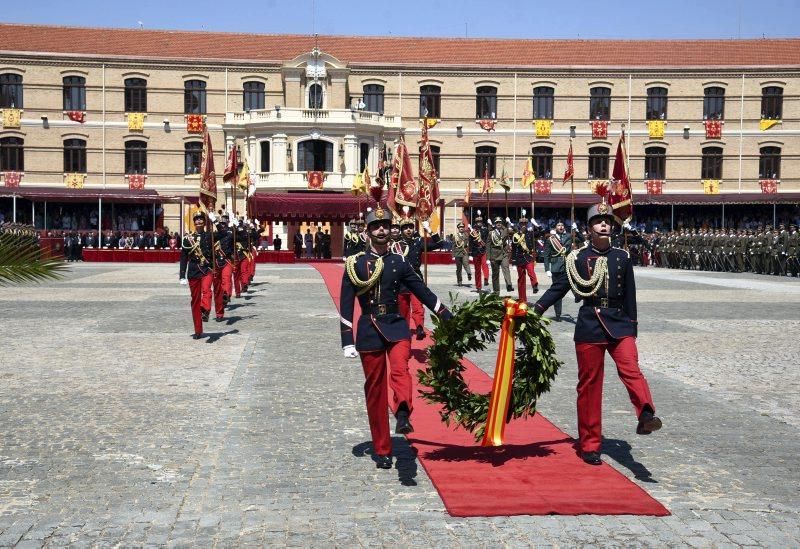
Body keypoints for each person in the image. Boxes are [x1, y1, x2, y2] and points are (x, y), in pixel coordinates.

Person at [533, 202, 662, 465]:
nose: (604, 225)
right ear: (589, 229)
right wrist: (536, 309)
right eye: (598, 222)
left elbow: (630, 295)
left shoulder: (622, 257)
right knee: (589, 386)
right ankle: (590, 444)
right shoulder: (577, 258)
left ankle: (646, 414)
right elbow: (560, 287)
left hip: (620, 322)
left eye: (608, 222)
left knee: (631, 368)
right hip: (590, 323)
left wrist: (633, 328)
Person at [340, 206, 452, 469]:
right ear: (367, 232)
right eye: (376, 226)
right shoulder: (354, 264)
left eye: (385, 225)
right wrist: (347, 339)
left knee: (401, 370)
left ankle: (402, 411)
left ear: (390, 230)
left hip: (396, 325)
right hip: (368, 328)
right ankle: (382, 448)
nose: (381, 229)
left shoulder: (399, 262)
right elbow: (346, 304)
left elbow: (421, 290)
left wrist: (446, 315)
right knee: (375, 390)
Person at [393, 210, 445, 340]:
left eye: (410, 227)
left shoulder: (418, 242)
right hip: (401, 282)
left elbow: (439, 244)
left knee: (418, 307)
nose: (409, 230)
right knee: (403, 309)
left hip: (416, 279)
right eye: (405, 228)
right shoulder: (395, 245)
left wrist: (430, 230)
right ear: (401, 231)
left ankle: (420, 327)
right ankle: (403, 331)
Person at [179, 211, 214, 339]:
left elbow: (224, 235)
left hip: (206, 269)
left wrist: (215, 221)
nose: (199, 221)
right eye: (196, 219)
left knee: (207, 291)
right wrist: (182, 275)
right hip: (193, 271)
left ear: (205, 222)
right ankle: (198, 330)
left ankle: (205, 310)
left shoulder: (210, 236)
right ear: (193, 222)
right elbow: (183, 258)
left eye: (201, 219)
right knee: (195, 301)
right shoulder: (188, 239)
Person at [541, 221, 582, 321]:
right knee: (557, 292)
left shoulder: (569, 236)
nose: (561, 226)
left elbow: (582, 240)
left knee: (572, 281)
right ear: (555, 228)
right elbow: (546, 255)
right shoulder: (550, 240)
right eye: (559, 225)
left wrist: (576, 230)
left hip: (567, 265)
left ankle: (577, 295)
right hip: (555, 268)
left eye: (562, 225)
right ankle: (558, 314)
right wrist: (547, 269)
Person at [510, 210, 539, 303]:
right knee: (521, 280)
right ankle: (522, 299)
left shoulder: (530, 233)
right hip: (519, 258)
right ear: (519, 224)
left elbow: (542, 232)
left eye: (525, 223)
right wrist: (513, 262)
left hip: (529, 256)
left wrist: (537, 225)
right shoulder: (516, 235)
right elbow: (514, 249)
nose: (523, 225)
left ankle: (535, 285)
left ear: (527, 224)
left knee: (531, 271)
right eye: (522, 223)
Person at [211, 212, 234, 321]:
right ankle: (219, 313)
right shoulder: (214, 234)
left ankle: (226, 295)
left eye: (224, 223)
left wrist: (238, 227)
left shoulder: (230, 233)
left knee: (226, 279)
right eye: (221, 223)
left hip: (226, 259)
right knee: (216, 289)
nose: (223, 225)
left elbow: (243, 237)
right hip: (215, 261)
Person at [487, 216, 514, 293]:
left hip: (504, 254)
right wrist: (488, 258)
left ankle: (509, 285)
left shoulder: (505, 230)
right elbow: (488, 245)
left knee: (506, 268)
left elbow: (515, 231)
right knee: (495, 274)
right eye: (497, 222)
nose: (498, 224)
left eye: (500, 222)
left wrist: (510, 223)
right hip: (494, 256)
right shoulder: (491, 233)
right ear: (494, 224)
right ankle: (496, 290)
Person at [469, 211, 490, 292]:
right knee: (477, 270)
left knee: (485, 265)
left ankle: (486, 278)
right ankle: (478, 286)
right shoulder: (472, 231)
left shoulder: (485, 230)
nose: (479, 223)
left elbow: (488, 239)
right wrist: (470, 253)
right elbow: (470, 242)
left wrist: (490, 225)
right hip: (475, 251)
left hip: (484, 250)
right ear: (476, 222)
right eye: (478, 222)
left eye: (480, 221)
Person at [451, 221, 472, 287]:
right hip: (457, 253)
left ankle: (469, 273)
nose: (461, 228)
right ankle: (459, 281)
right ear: (458, 228)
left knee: (466, 263)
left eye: (462, 227)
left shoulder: (466, 235)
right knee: (459, 268)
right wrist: (453, 255)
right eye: (460, 227)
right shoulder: (455, 236)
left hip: (464, 252)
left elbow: (469, 244)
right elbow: (453, 246)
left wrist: (471, 254)